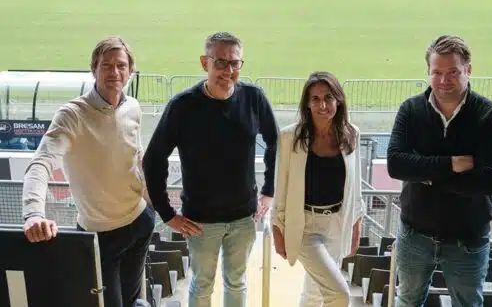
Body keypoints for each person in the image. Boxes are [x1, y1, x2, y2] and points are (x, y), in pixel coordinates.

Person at [142, 31, 278, 307]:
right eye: (220, 63)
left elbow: (276, 143)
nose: (228, 71)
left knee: (236, 282)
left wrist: (269, 191)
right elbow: (153, 159)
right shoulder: (182, 106)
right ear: (205, 63)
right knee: (202, 285)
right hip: (200, 222)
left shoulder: (253, 98)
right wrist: (167, 213)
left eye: (235, 63)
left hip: (244, 218)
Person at [22, 36, 154, 307]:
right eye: (107, 65)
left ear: (130, 71)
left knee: (132, 301)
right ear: (94, 69)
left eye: (121, 65)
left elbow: (136, 158)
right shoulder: (72, 115)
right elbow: (41, 164)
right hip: (100, 236)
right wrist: (34, 213)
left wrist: (153, 201)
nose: (114, 72)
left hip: (140, 221)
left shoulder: (133, 107)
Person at [387, 34, 492, 307]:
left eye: (453, 72)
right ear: (428, 72)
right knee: (407, 301)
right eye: (436, 72)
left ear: (468, 70)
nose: (443, 80)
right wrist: (451, 165)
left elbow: (491, 181)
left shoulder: (490, 116)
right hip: (414, 235)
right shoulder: (411, 110)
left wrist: (425, 174)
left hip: (467, 241)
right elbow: (396, 164)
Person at [272, 71, 365, 307]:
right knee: (340, 294)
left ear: (338, 101)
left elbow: (355, 188)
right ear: (307, 103)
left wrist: (356, 226)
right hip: (304, 226)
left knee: (314, 294)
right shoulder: (290, 137)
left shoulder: (351, 134)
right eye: (315, 99)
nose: (322, 105)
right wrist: (277, 229)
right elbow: (281, 187)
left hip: (337, 223)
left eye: (328, 98)